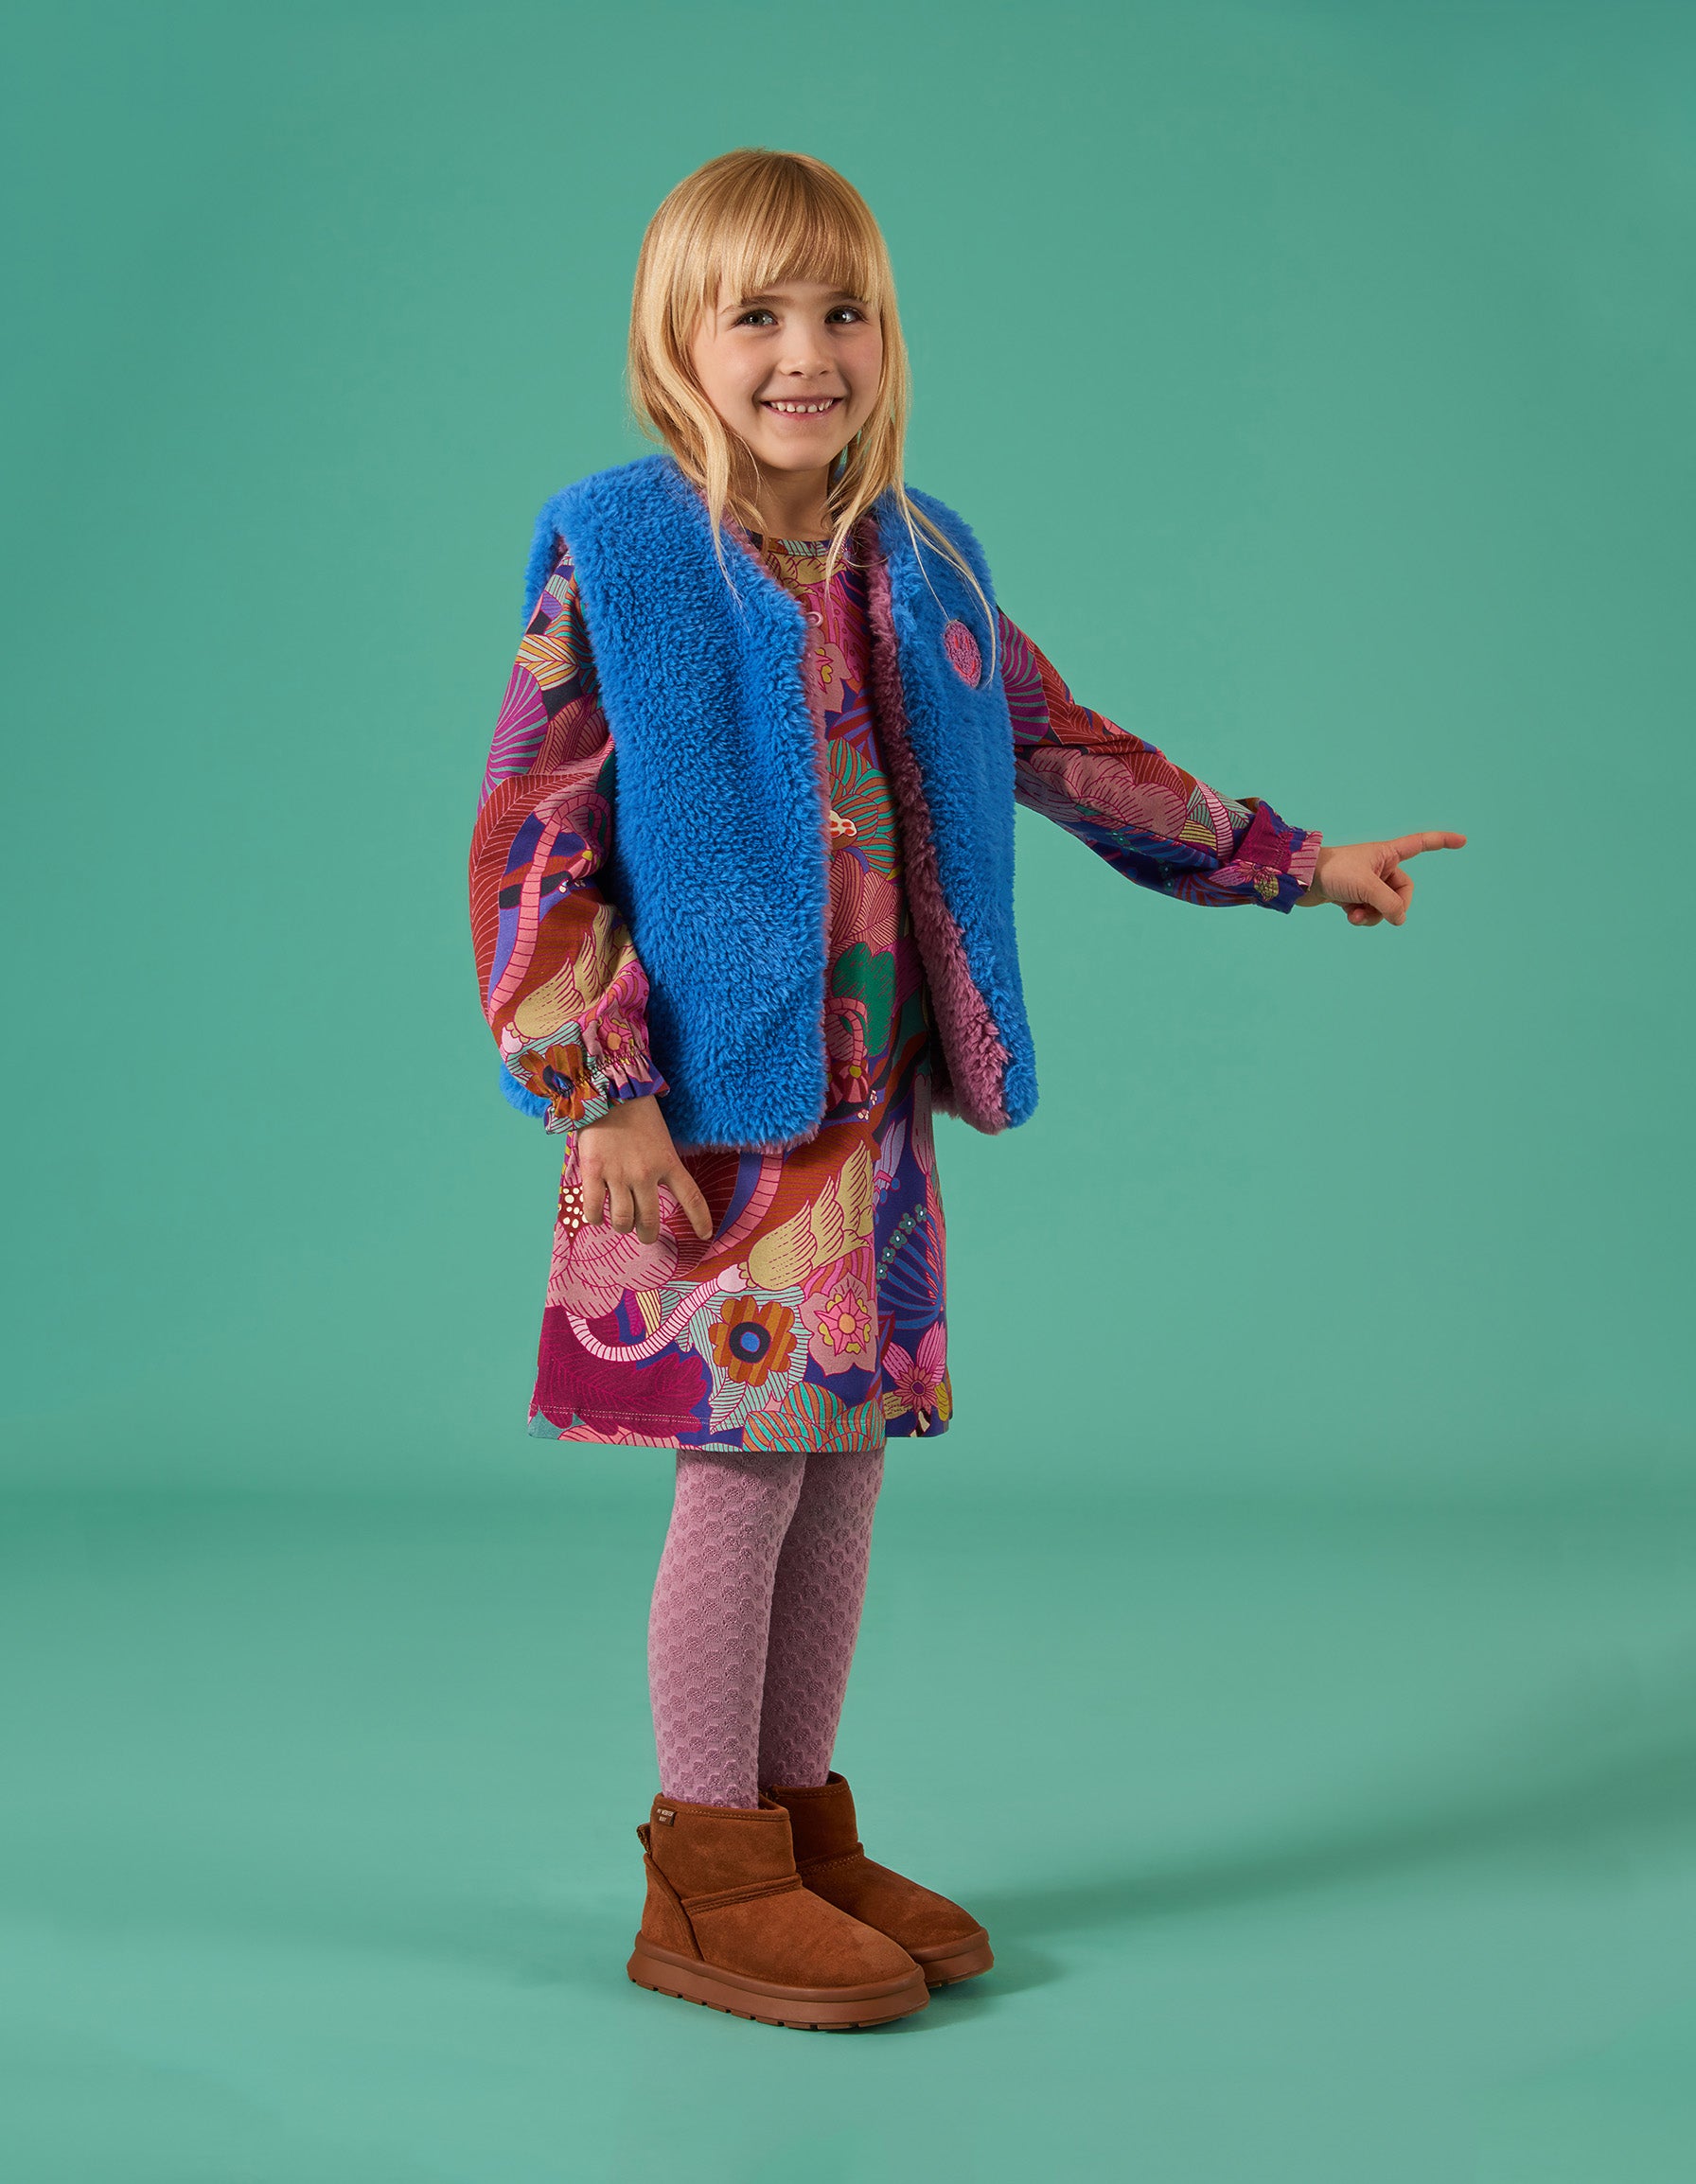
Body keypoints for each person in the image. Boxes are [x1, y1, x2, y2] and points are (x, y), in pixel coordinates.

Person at [468, 148, 1464, 2032]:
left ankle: (797, 1827)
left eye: (842, 312)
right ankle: (707, 1868)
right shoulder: (622, 554)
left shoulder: (923, 564)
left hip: (879, 1114)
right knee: (741, 1476)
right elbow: (536, 840)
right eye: (757, 316)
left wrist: (1295, 859)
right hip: (715, 1121)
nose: (806, 353)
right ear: (677, 345)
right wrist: (593, 1088)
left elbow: (1067, 748)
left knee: (841, 1471)